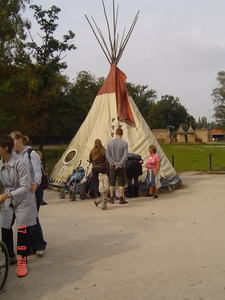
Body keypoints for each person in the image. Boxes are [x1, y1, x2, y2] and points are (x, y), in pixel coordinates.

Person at [0, 134, 38, 277]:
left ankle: (23, 260)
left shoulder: (20, 163)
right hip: (8, 197)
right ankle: (9, 255)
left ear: (6, 148)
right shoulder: (1, 162)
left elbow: (25, 187)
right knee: (5, 226)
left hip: (22, 198)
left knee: (22, 230)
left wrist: (7, 195)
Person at [9, 131, 47, 257]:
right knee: (23, 219)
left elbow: (37, 171)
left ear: (20, 140)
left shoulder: (32, 154)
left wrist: (36, 183)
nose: (11, 145)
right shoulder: (12, 155)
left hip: (32, 188)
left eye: (13, 141)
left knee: (33, 217)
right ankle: (29, 245)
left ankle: (39, 244)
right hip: (21, 189)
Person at [106, 128, 128, 204]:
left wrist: (113, 163)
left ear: (116, 134)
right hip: (121, 166)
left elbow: (107, 155)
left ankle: (111, 198)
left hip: (112, 166)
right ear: (122, 134)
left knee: (112, 182)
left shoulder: (110, 143)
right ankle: (121, 198)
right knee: (121, 183)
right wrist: (120, 164)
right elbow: (125, 156)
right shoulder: (125, 143)